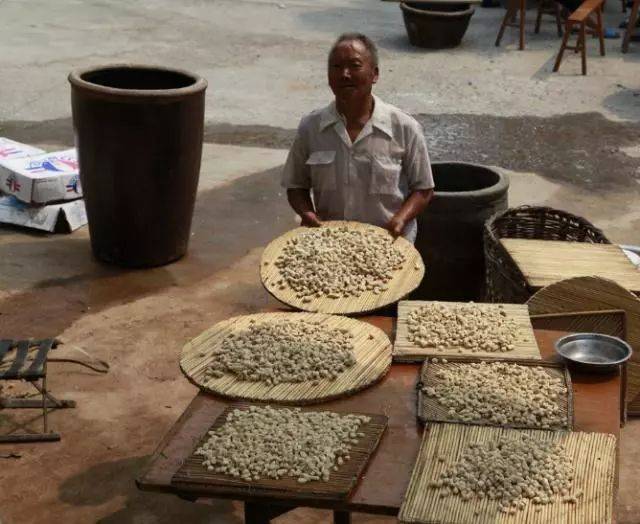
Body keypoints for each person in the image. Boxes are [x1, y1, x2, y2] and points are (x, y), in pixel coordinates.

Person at [281, 33, 434, 243]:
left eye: (354, 65)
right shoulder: (311, 127)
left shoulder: (404, 127)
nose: (344, 74)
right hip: (330, 244)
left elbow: (423, 188)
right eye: (336, 66)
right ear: (328, 76)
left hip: (390, 242)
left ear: (375, 74)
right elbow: (296, 185)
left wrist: (399, 220)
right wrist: (307, 212)